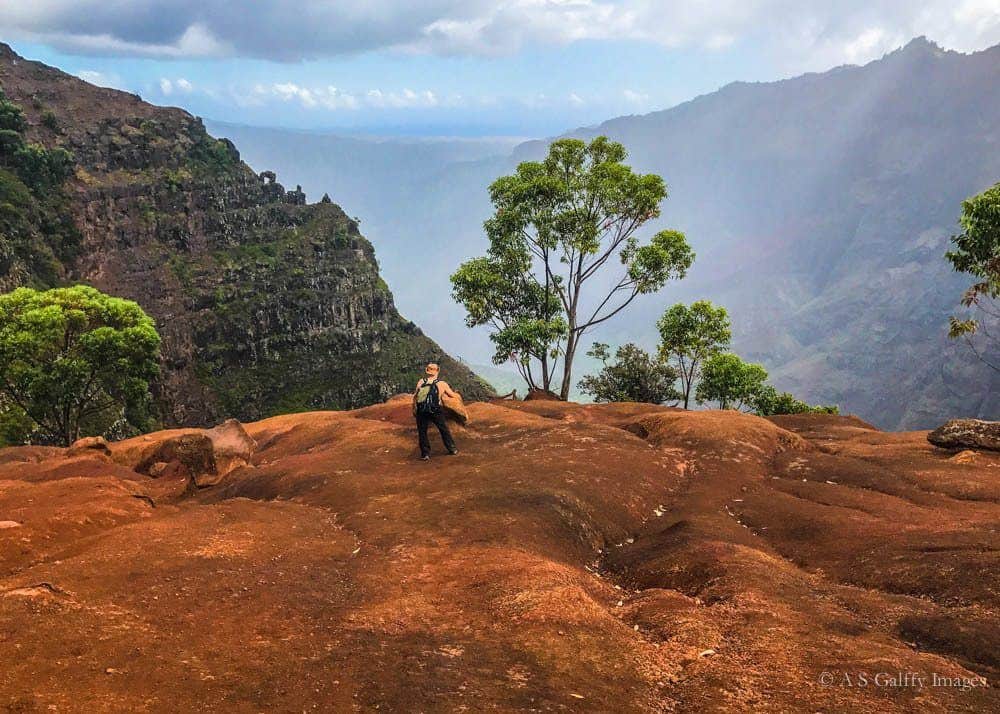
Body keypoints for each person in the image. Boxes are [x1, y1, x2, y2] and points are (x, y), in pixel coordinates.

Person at [413, 362, 459, 460]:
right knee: (443, 429)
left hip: (422, 410)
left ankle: (425, 454)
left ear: (427, 371)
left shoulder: (421, 382)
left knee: (422, 432)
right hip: (435, 410)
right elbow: (452, 395)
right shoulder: (442, 384)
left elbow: (416, 396)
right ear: (438, 371)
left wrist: (415, 409)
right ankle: (452, 448)